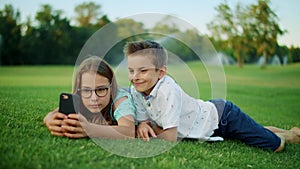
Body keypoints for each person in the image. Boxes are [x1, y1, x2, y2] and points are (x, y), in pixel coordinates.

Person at [123, 39, 300, 152]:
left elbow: (169, 138)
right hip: (209, 123)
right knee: (249, 132)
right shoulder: (136, 90)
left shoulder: (167, 90)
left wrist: (149, 131)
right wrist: (143, 125)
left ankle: (290, 136)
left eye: (143, 70)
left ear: (161, 72)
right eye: (131, 71)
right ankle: (288, 131)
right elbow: (144, 121)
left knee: (276, 146)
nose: (135, 77)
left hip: (224, 116)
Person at [44, 56, 136, 139]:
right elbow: (53, 114)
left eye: (101, 89)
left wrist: (90, 130)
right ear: (79, 90)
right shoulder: (79, 97)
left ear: (111, 88)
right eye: (87, 90)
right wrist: (48, 119)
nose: (94, 98)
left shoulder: (121, 99)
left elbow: (129, 131)